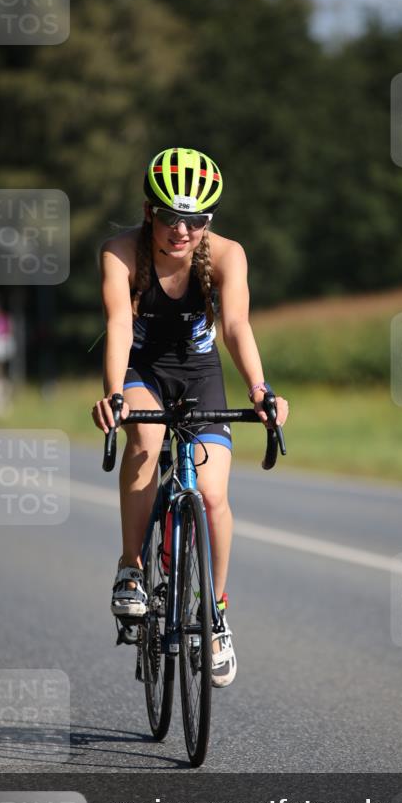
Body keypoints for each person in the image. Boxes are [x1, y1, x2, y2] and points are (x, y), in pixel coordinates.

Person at [92, 147, 289, 688]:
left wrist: (260, 388)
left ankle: (215, 614)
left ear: (210, 220)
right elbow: (118, 326)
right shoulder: (120, 252)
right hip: (143, 371)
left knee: (213, 494)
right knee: (146, 440)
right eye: (172, 217)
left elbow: (236, 326)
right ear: (148, 209)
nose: (183, 231)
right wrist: (114, 393)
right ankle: (132, 568)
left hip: (200, 375)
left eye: (197, 220)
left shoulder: (227, 255)